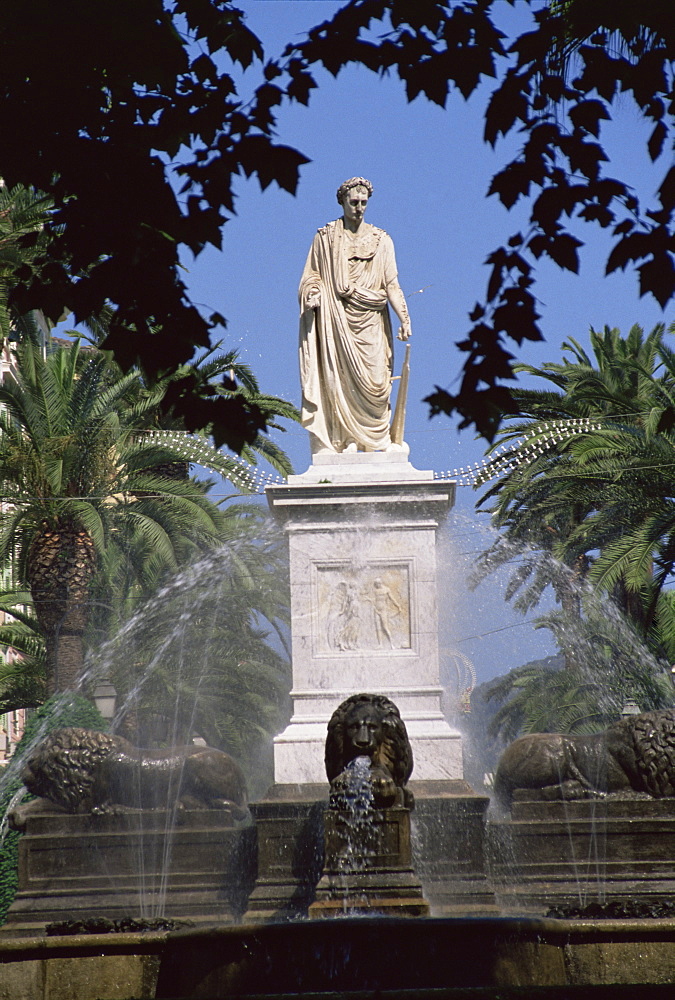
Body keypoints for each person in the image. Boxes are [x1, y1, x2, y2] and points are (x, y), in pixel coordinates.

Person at [299, 177, 411, 455]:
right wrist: (313, 293)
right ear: (342, 202)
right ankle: (347, 439)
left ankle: (378, 439)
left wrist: (404, 318)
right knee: (341, 380)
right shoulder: (325, 238)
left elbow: (392, 284)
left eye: (363, 203)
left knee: (377, 381)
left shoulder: (382, 240)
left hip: (372, 320)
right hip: (336, 321)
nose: (359, 208)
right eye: (353, 202)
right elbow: (311, 277)